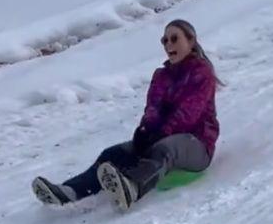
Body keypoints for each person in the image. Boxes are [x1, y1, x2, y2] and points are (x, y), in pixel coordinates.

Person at [32, 19, 220, 213]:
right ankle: (68, 191)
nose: (169, 45)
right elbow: (152, 108)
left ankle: (133, 187)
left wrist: (162, 132)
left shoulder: (202, 73)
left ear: (190, 41)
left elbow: (189, 112)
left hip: (197, 143)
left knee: (164, 149)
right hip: (164, 136)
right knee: (113, 154)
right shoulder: (161, 76)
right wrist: (145, 130)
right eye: (165, 40)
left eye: (174, 39)